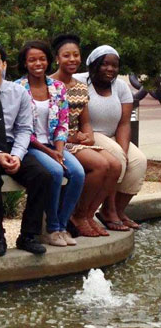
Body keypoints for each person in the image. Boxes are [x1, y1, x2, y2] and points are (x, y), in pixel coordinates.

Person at [0, 43, 52, 257]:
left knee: (42, 175)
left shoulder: (19, 93)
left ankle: (28, 235)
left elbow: (25, 128)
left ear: (4, 65)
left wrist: (16, 155)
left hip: (13, 145)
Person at [50, 34, 121, 237]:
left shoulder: (81, 87)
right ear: (57, 58)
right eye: (66, 55)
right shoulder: (50, 85)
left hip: (78, 139)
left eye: (76, 55)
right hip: (60, 142)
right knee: (100, 165)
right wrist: (70, 138)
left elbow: (86, 121)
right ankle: (77, 215)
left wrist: (88, 136)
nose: (72, 59)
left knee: (115, 165)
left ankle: (89, 215)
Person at [16, 41, 85, 247]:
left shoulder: (58, 87)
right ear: (25, 63)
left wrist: (60, 150)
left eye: (42, 59)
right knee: (55, 172)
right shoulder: (18, 88)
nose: (38, 63)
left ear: (48, 60)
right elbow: (21, 128)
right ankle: (52, 229)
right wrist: (50, 152)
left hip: (56, 145)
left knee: (78, 173)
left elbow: (63, 123)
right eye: (32, 60)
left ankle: (63, 226)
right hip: (32, 145)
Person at [74, 45, 147, 231]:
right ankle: (110, 211)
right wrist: (120, 154)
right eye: (105, 64)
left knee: (138, 161)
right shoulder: (80, 81)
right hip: (91, 134)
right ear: (94, 64)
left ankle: (116, 210)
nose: (110, 69)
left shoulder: (121, 87)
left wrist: (124, 150)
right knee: (117, 158)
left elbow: (124, 124)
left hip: (114, 134)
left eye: (114, 65)